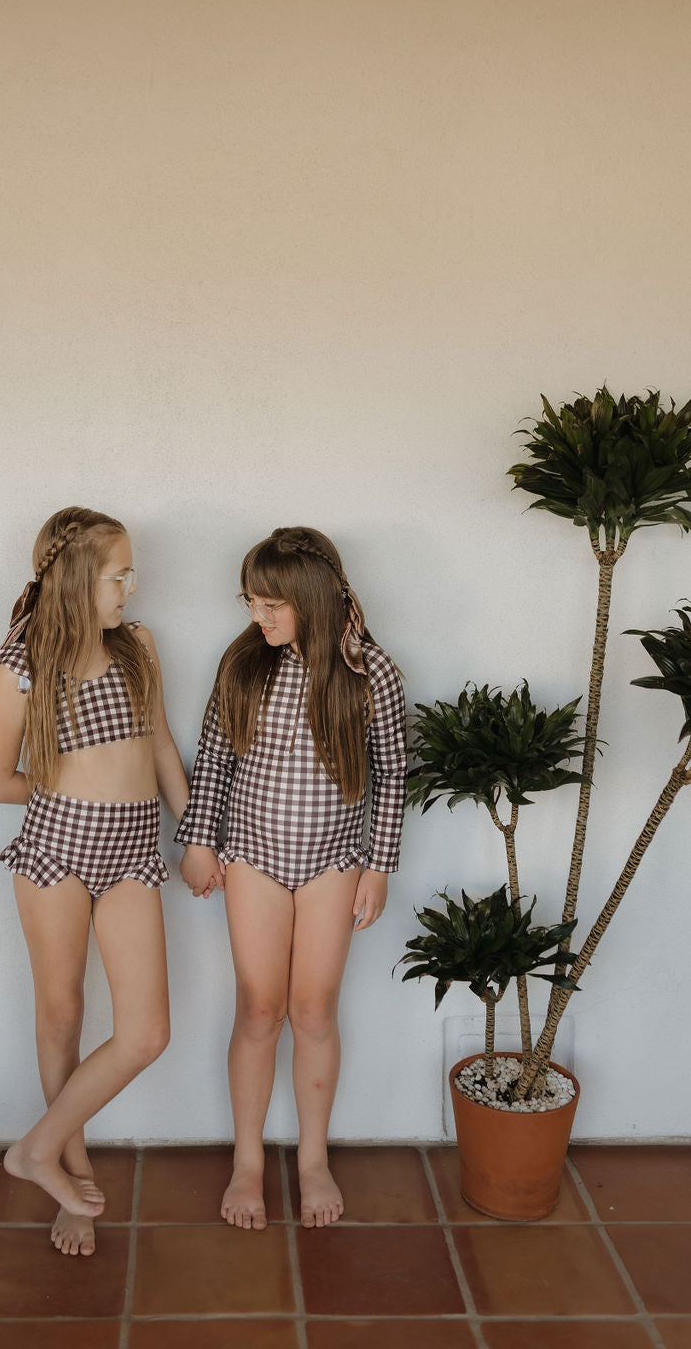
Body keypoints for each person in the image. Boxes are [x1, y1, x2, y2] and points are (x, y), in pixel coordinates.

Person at [176, 526, 406, 1230]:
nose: (259, 617)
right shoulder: (245, 665)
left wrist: (378, 866)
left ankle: (311, 1159)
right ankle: (248, 1161)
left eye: (273, 604)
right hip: (251, 857)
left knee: (313, 1010)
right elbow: (214, 759)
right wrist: (197, 842)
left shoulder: (373, 673)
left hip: (334, 861)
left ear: (313, 598)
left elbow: (392, 772)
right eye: (251, 602)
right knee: (258, 1008)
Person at [0, 506, 188, 1257]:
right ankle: (70, 1180)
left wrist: (194, 833)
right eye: (117, 574)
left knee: (145, 1033)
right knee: (62, 1018)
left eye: (130, 572)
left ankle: (33, 1148)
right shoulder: (26, 659)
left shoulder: (138, 646)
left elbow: (161, 745)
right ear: (74, 580)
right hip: (57, 855)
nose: (130, 586)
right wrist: (71, 787)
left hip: (134, 853)